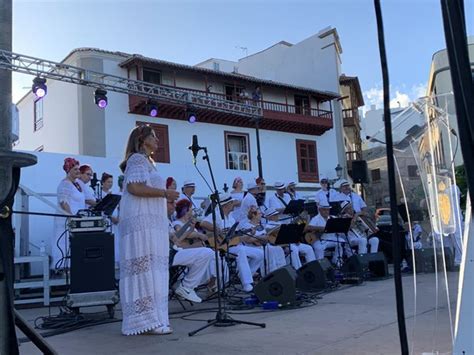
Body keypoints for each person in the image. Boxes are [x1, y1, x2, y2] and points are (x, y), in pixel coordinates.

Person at [118, 125, 179, 336]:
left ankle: (153, 318)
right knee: (146, 268)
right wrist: (165, 193)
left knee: (153, 268)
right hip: (141, 224)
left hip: (152, 224)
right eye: (154, 137)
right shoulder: (136, 159)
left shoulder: (147, 162)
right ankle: (146, 321)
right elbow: (134, 188)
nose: (158, 140)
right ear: (143, 139)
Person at [200, 193, 263, 292]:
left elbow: (237, 236)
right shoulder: (216, 214)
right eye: (232, 203)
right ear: (226, 205)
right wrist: (217, 229)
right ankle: (247, 284)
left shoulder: (232, 218)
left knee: (259, 253)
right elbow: (203, 223)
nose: (234, 204)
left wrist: (250, 232)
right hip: (221, 247)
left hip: (232, 245)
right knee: (241, 250)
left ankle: (244, 275)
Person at [169, 199, 215, 303]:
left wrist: (190, 229)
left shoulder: (168, 221)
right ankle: (187, 286)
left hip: (176, 252)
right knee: (207, 253)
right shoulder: (174, 222)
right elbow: (178, 239)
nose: (173, 207)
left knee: (209, 253)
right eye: (190, 209)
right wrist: (197, 234)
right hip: (171, 254)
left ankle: (189, 287)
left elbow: (177, 239)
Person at [53, 157, 86, 271]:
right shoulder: (65, 184)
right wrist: (71, 217)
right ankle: (63, 269)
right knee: (64, 244)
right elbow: (64, 202)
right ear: (68, 170)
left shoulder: (76, 184)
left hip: (75, 220)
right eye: (75, 169)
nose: (78, 171)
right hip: (67, 221)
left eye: (78, 169)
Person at [238, 206, 286, 274]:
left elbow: (266, 236)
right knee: (270, 250)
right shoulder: (247, 225)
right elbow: (248, 240)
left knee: (278, 248)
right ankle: (271, 273)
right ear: (254, 215)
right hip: (253, 247)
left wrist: (264, 237)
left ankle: (282, 271)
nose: (261, 215)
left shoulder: (260, 225)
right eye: (260, 213)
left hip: (263, 245)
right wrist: (261, 237)